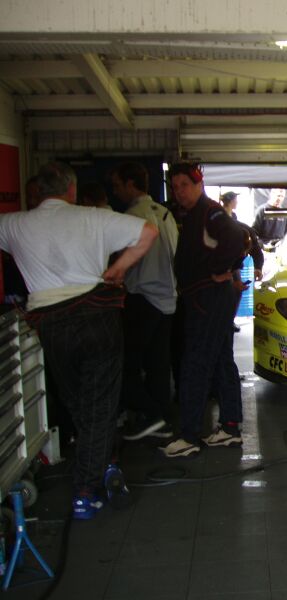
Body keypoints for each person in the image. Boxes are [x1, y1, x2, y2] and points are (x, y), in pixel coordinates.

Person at [0, 161, 157, 520]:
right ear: (71, 189)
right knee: (100, 404)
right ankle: (87, 490)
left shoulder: (14, 224)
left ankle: (103, 465)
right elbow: (148, 232)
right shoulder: (93, 218)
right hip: (96, 317)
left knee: (77, 401)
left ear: (39, 190)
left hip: (51, 324)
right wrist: (119, 269)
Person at [161, 162, 245, 458]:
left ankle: (189, 435)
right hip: (209, 298)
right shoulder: (196, 214)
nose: (179, 191)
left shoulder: (210, 212)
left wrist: (217, 269)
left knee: (195, 364)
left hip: (207, 299)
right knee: (221, 360)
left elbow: (237, 237)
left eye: (184, 184)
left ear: (199, 184)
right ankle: (230, 428)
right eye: (174, 186)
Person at [111, 162, 179, 441]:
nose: (115, 192)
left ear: (130, 185)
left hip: (143, 298)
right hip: (169, 298)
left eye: (117, 186)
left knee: (125, 364)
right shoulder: (165, 214)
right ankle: (163, 418)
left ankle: (152, 414)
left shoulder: (132, 217)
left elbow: (124, 262)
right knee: (159, 364)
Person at [219, 191, 264, 332]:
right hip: (219, 265)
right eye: (236, 200)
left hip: (232, 265)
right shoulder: (220, 223)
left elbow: (255, 248)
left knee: (235, 290)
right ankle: (224, 320)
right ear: (231, 201)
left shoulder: (242, 227)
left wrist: (258, 266)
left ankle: (228, 320)